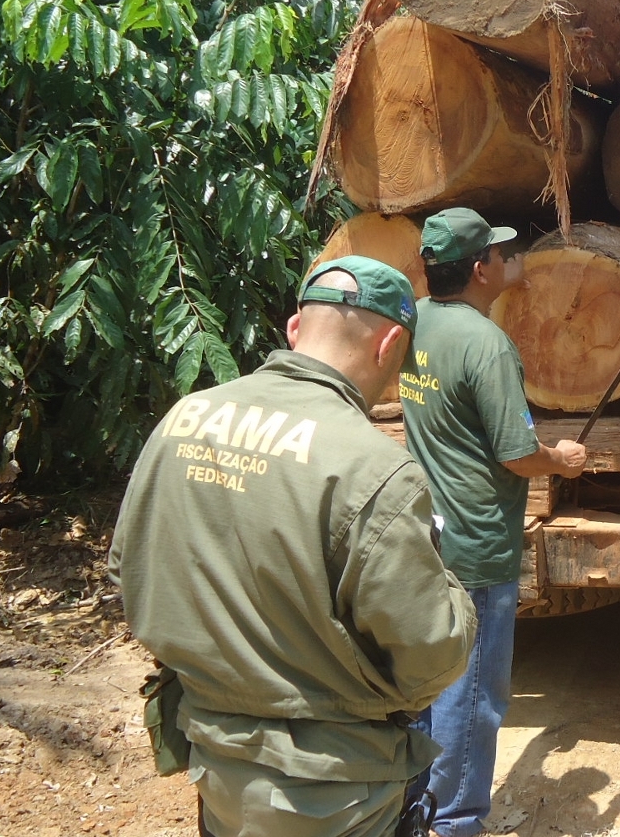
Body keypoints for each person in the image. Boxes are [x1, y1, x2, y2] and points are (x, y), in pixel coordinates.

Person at [108, 256, 478, 837]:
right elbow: (432, 654)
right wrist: (450, 588)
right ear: (389, 345)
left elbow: (129, 570)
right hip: (337, 791)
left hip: (214, 764)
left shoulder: (183, 419)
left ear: (295, 327)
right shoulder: (375, 469)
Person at [397, 207, 588, 837]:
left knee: (427, 681)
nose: (510, 260)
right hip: (477, 543)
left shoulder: (415, 323)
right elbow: (516, 453)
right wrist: (560, 459)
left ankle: (414, 805)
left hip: (426, 532)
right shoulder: (486, 344)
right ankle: (453, 822)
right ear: (481, 269)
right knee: (473, 691)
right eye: (501, 254)